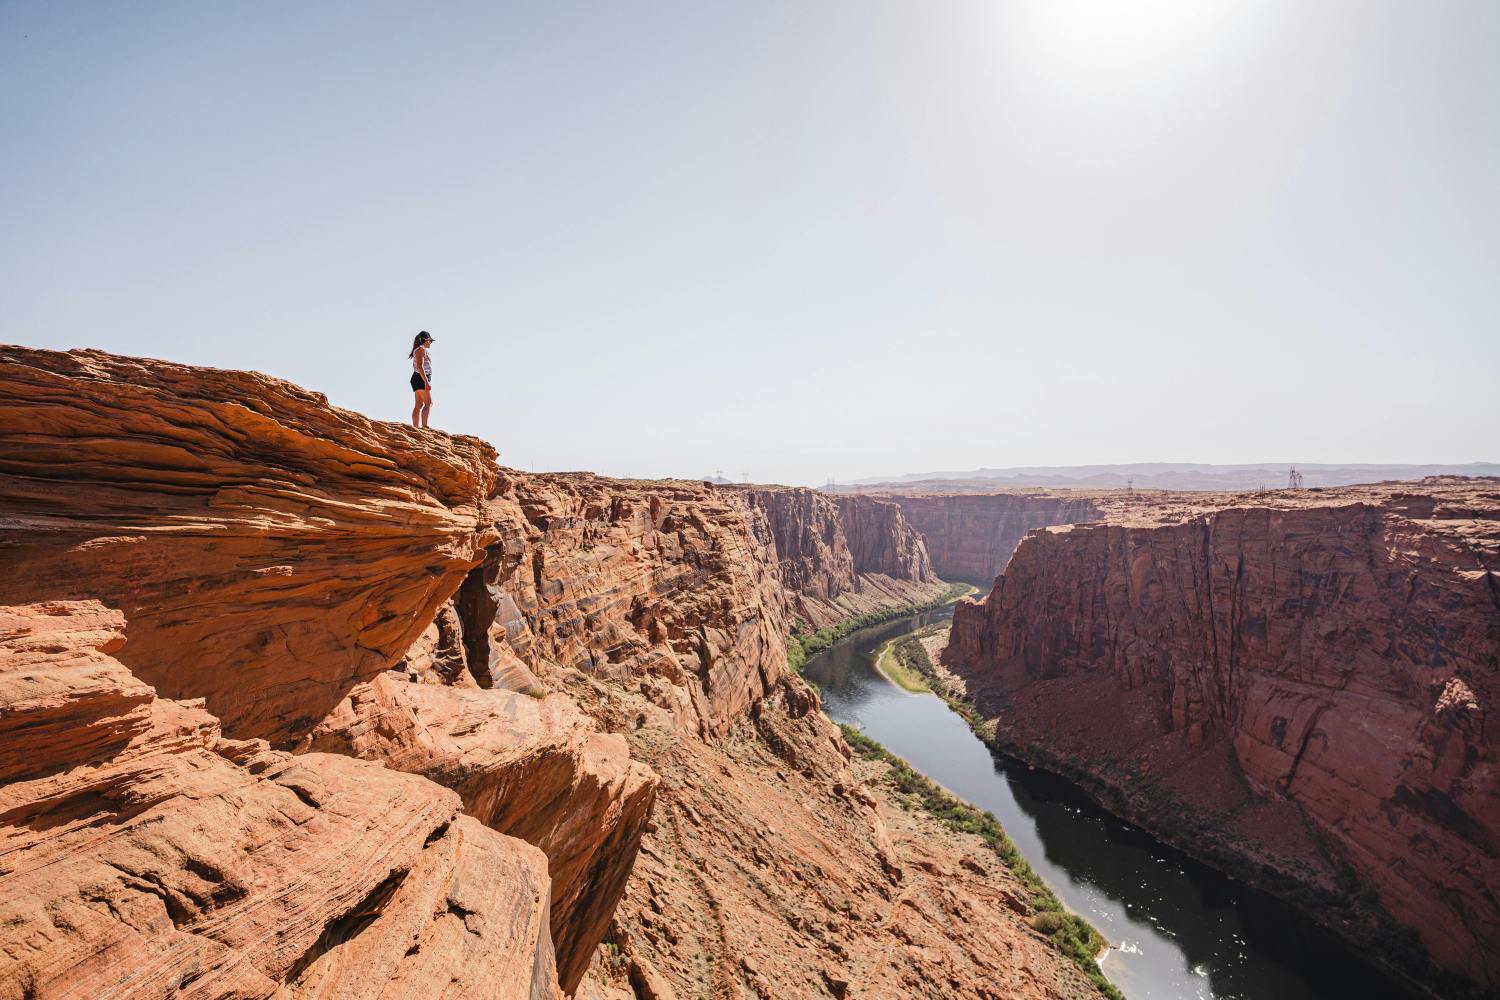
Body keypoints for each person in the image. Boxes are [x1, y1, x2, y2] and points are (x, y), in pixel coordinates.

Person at [408, 331, 435, 428]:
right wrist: (426, 382)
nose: (431, 343)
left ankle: (416, 428)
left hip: (417, 377)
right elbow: (420, 367)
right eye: (430, 341)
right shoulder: (420, 350)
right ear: (426, 340)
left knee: (419, 404)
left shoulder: (419, 350)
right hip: (421, 378)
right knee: (429, 403)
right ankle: (424, 427)